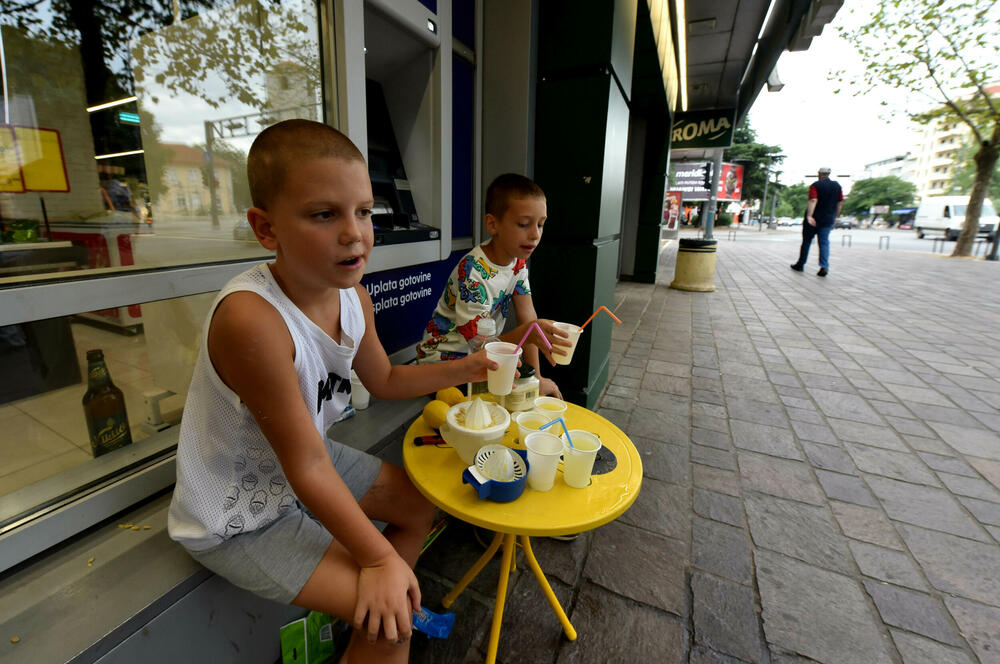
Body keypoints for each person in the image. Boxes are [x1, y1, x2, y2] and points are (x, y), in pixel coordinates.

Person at [167, 119, 496, 664]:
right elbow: (308, 467)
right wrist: (378, 561)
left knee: (419, 507)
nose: (355, 233)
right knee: (397, 626)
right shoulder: (253, 319)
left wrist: (471, 366)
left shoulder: (354, 298)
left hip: (300, 469)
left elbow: (385, 381)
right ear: (266, 229)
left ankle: (373, 622)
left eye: (365, 212)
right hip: (239, 514)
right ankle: (384, 622)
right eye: (325, 214)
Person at [414, 173, 568, 398]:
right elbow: (482, 346)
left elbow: (528, 318)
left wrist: (537, 378)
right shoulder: (473, 273)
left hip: (480, 359)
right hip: (442, 366)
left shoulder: (517, 263)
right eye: (524, 224)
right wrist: (528, 333)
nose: (535, 234)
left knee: (525, 390)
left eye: (541, 224)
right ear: (493, 224)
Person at [790, 167, 843, 277]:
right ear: (829, 174)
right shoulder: (837, 186)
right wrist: (835, 216)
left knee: (807, 242)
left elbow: (813, 200)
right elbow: (840, 203)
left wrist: (810, 216)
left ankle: (800, 264)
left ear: (819, 174)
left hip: (813, 219)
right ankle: (824, 266)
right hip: (828, 219)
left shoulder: (816, 185)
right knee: (824, 242)